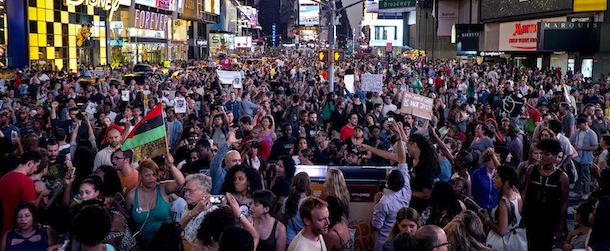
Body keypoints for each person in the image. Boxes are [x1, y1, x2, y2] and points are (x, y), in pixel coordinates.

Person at [125, 157, 185, 247]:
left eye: (154, 174)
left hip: (168, 242)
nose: (151, 178)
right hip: (145, 244)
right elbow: (127, 216)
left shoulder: (163, 188)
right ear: (140, 176)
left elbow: (180, 182)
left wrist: (171, 166)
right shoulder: (132, 196)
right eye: (147, 175)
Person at [522, 138, 569, 250]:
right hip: (531, 216)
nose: (542, 156)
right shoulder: (531, 170)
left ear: (555, 157)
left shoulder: (562, 177)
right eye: (541, 153)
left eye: (546, 154)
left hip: (549, 219)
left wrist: (560, 227)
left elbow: (564, 203)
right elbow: (524, 193)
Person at [370, 122, 411, 251]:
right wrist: (398, 136)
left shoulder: (384, 202)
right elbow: (402, 159)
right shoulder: (406, 189)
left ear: (388, 183)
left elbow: (376, 226)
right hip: (401, 242)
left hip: (384, 242)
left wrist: (376, 203)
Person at [478, 166, 522, 250]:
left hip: (501, 244)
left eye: (497, 177)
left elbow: (502, 231)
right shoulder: (516, 193)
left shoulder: (504, 202)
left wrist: (486, 219)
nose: (494, 179)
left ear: (506, 182)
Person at [0, 151, 41, 234]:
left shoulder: (3, 178)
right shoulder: (26, 182)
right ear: (30, 163)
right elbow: (31, 209)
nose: (36, 169)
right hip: (20, 231)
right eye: (37, 166)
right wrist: (42, 194)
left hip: (4, 229)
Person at [177, 173, 217, 242]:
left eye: (190, 191)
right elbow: (177, 229)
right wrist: (193, 212)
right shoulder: (185, 207)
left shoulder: (213, 211)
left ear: (204, 192)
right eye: (185, 190)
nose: (186, 194)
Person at [283, 172, 312, 245]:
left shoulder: (287, 200)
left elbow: (284, 219)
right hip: (306, 240)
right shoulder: (311, 203)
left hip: (290, 240)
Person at [471, 149, 500, 213]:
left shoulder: (499, 176)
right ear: (485, 162)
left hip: (495, 209)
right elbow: (473, 193)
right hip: (481, 208)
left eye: (495, 160)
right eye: (491, 160)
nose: (493, 162)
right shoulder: (477, 174)